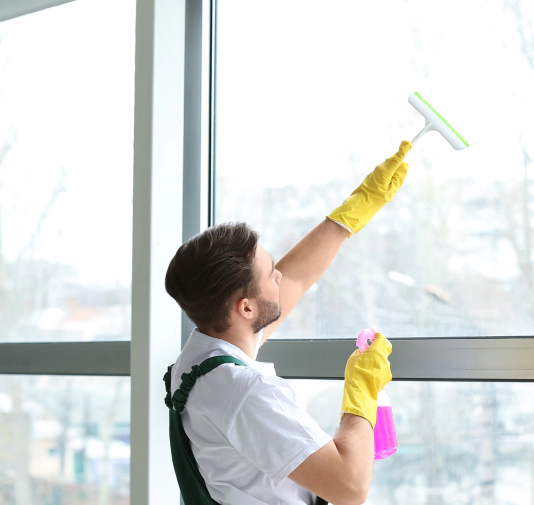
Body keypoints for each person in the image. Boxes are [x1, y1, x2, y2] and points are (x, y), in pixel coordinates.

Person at [163, 141, 412, 505]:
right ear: (245, 308)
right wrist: (362, 390)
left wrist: (351, 214)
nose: (278, 277)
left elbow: (294, 279)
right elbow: (349, 486)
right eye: (269, 274)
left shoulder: (203, 355)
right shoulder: (244, 391)